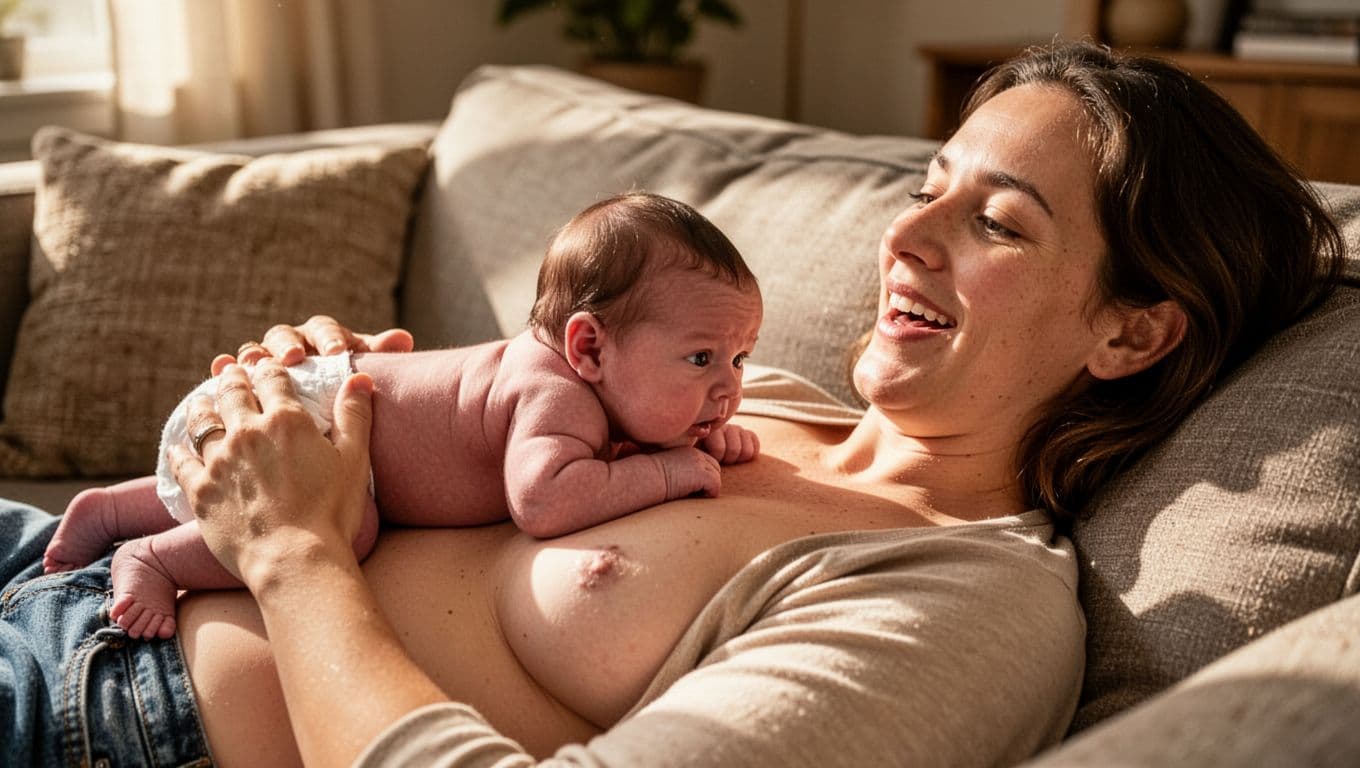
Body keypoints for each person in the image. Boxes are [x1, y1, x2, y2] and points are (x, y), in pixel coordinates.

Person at [0, 41, 1344, 768]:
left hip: (105, 709)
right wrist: (331, 393)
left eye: (993, 219)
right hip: (62, 561)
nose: (908, 236)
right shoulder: (758, 396)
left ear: (1132, 330)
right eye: (927, 183)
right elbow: (485, 410)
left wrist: (289, 553)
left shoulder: (968, 604)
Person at [38, 191, 764, 640]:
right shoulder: (554, 393)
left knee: (336, 507)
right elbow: (545, 499)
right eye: (701, 360)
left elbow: (615, 448)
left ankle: (112, 509)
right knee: (346, 527)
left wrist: (691, 427)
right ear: (589, 346)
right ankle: (151, 554)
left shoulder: (600, 390)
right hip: (301, 414)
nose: (728, 386)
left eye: (740, 359)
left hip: (291, 408)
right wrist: (671, 470)